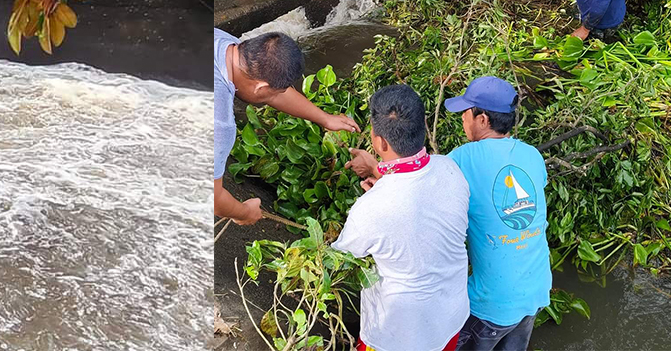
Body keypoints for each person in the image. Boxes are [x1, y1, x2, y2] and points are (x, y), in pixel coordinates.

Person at [334, 84, 470, 351]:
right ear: (423, 126)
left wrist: (379, 192)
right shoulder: (450, 168)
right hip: (451, 318)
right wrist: (380, 173)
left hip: (398, 335)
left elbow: (339, 259)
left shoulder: (370, 208)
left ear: (379, 142)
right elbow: (416, 198)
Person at [441, 77, 550, 351]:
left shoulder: (462, 158)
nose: (463, 119)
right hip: (535, 289)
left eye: (466, 113)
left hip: (492, 302)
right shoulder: (532, 155)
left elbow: (426, 197)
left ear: (483, 120)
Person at [213, 28, 360, 224]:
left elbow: (273, 92)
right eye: (275, 93)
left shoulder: (230, 46)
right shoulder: (218, 121)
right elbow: (212, 198)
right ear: (261, 88)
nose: (275, 97)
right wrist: (243, 212)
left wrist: (324, 118)